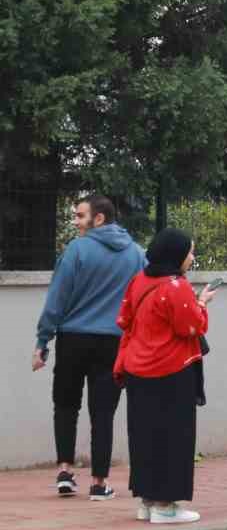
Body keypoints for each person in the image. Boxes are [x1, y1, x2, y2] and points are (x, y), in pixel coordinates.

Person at [33, 194, 145, 499]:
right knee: (103, 413)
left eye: (80, 216)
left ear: (99, 219)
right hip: (113, 342)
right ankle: (99, 483)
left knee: (66, 405)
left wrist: (43, 339)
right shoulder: (136, 254)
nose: (76, 222)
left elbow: (57, 297)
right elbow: (143, 298)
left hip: (73, 340)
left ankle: (66, 472)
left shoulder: (77, 250)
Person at [113, 228, 212, 524]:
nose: (192, 258)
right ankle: (166, 505)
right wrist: (202, 304)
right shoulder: (176, 286)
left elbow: (127, 319)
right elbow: (191, 327)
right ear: (176, 254)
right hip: (171, 371)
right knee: (173, 437)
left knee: (144, 436)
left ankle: (147, 501)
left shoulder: (139, 280)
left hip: (137, 371)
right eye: (190, 252)